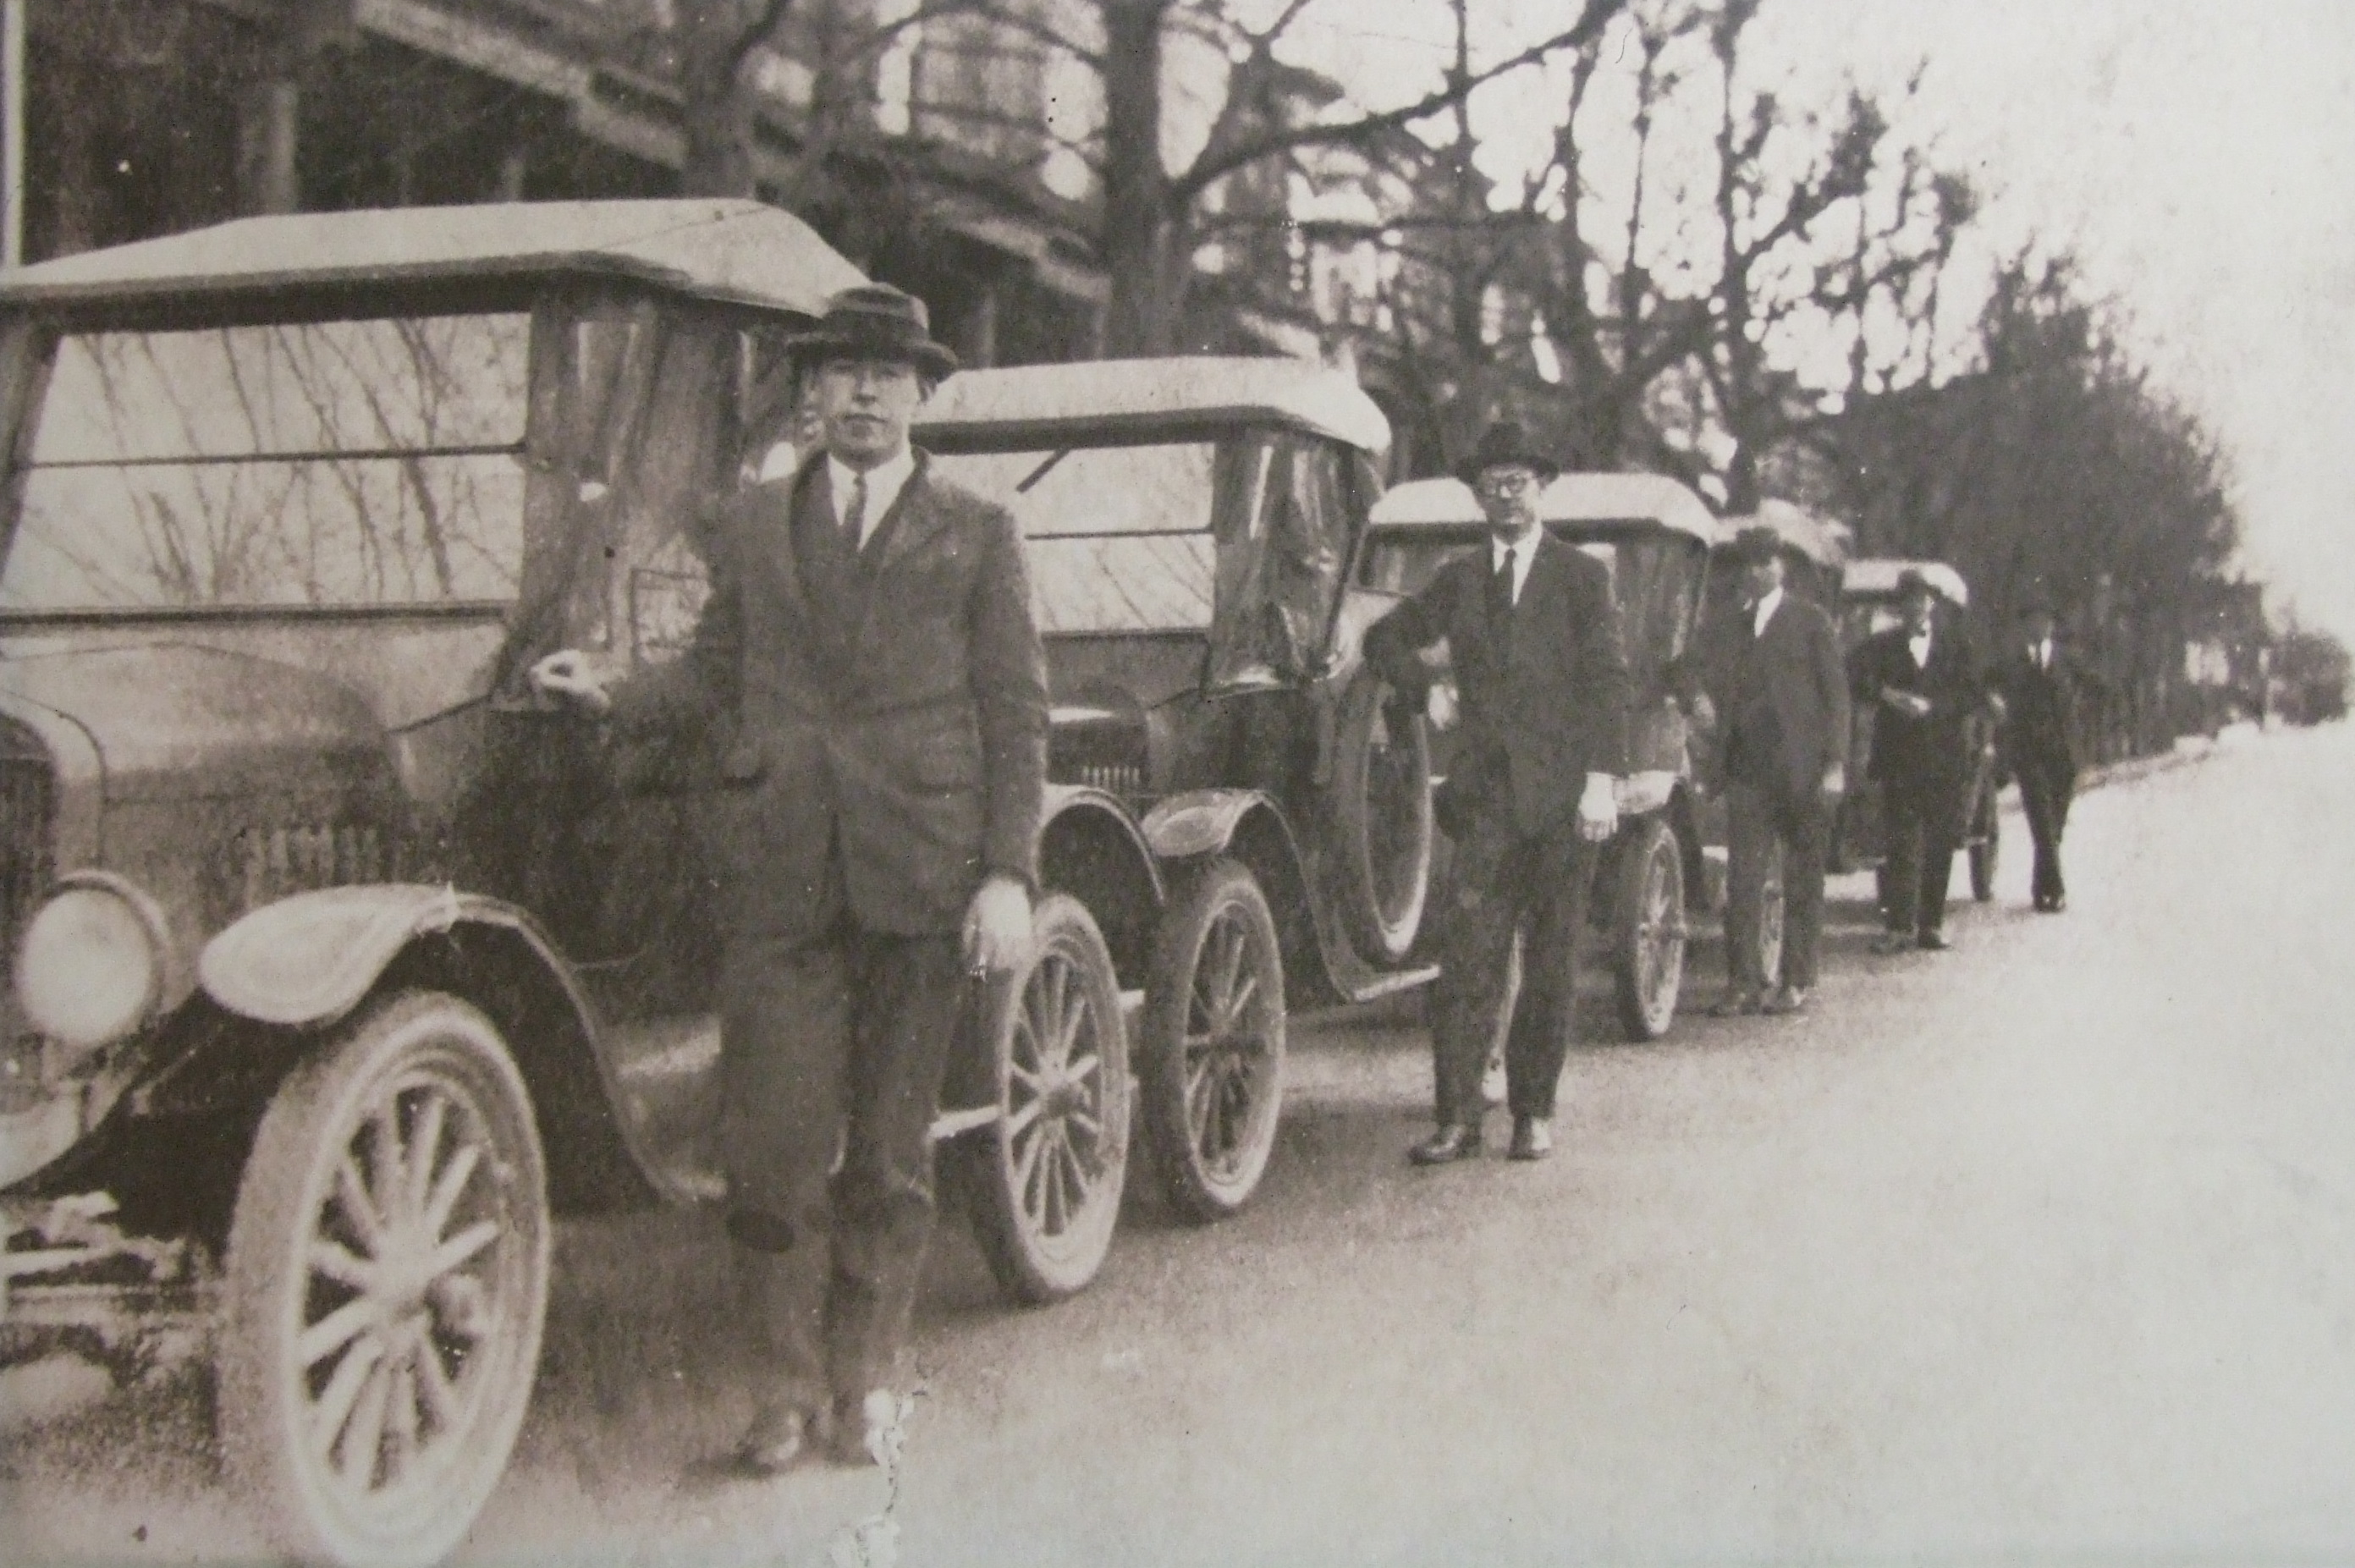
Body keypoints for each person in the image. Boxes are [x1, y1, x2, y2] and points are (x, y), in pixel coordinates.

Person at [531, 284, 1047, 1474]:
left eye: (885, 372)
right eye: (840, 371)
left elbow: (1015, 712)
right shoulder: (757, 521)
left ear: (919, 393)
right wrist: (608, 688)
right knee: (768, 1151)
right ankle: (779, 1392)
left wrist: (1007, 874)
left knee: (889, 1156)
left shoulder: (978, 529)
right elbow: (715, 671)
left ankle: (864, 1386)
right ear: (810, 392)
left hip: (919, 876)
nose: (862, 392)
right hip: (778, 879)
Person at [1364, 421, 1631, 1164]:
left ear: (1541, 488)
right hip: (1485, 807)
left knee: (1550, 965)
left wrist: (1600, 783)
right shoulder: (1457, 579)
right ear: (1477, 498)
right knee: (1465, 966)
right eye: (1490, 486)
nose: (1504, 496)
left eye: (1516, 482)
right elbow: (1383, 639)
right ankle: (1455, 1119)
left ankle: (1532, 1112)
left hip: (1563, 807)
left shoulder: (1581, 578)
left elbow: (1608, 684)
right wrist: (1426, 688)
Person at [1703, 525, 1849, 1016]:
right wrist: (1690, 696)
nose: (1756, 572)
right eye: (1748, 564)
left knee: (1802, 879)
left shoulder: (1810, 621)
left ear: (1781, 566)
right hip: (1748, 772)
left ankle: (1795, 979)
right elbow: (1692, 667)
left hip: (1803, 773)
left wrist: (1835, 765)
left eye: (1765, 562)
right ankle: (1743, 982)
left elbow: (1837, 698)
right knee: (1743, 881)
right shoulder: (1728, 626)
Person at [1849, 569, 1986, 953]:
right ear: (1900, 607)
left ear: (1932, 604)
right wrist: (1887, 695)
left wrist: (1933, 708)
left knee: (1939, 842)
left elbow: (1971, 695)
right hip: (1898, 758)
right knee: (1900, 842)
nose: (1915, 607)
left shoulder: (1956, 647)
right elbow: (1851, 675)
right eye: (1908, 600)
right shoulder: (1882, 645)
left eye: (1922, 599)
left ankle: (1931, 924)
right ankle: (1898, 926)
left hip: (1944, 759)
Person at [1990, 591, 2082, 911]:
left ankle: (2040, 884)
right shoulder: (2011, 661)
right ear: (2025, 625)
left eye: (2046, 620)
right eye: (2034, 620)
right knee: (2042, 820)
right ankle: (2055, 890)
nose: (2040, 626)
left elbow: (2097, 688)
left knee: (2054, 825)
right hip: (2029, 753)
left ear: (2053, 625)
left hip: (2064, 754)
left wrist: (2079, 718)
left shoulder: (2068, 659)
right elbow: (1984, 683)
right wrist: (1994, 701)